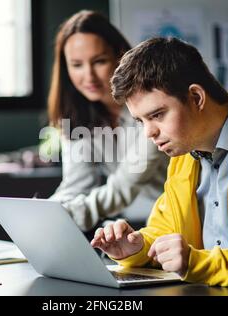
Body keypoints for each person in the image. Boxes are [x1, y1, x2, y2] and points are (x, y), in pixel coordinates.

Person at [91, 37, 228, 287]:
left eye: (157, 115)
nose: (148, 133)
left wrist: (198, 263)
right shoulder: (185, 155)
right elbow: (165, 230)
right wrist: (136, 248)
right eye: (141, 121)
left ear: (197, 98)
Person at [47, 10, 168, 232]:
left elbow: (124, 185)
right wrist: (44, 213)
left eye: (99, 61)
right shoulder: (79, 115)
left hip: (182, 219)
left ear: (121, 56)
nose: (88, 76)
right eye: (76, 65)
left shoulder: (151, 106)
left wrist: (63, 218)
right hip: (143, 225)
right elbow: (75, 186)